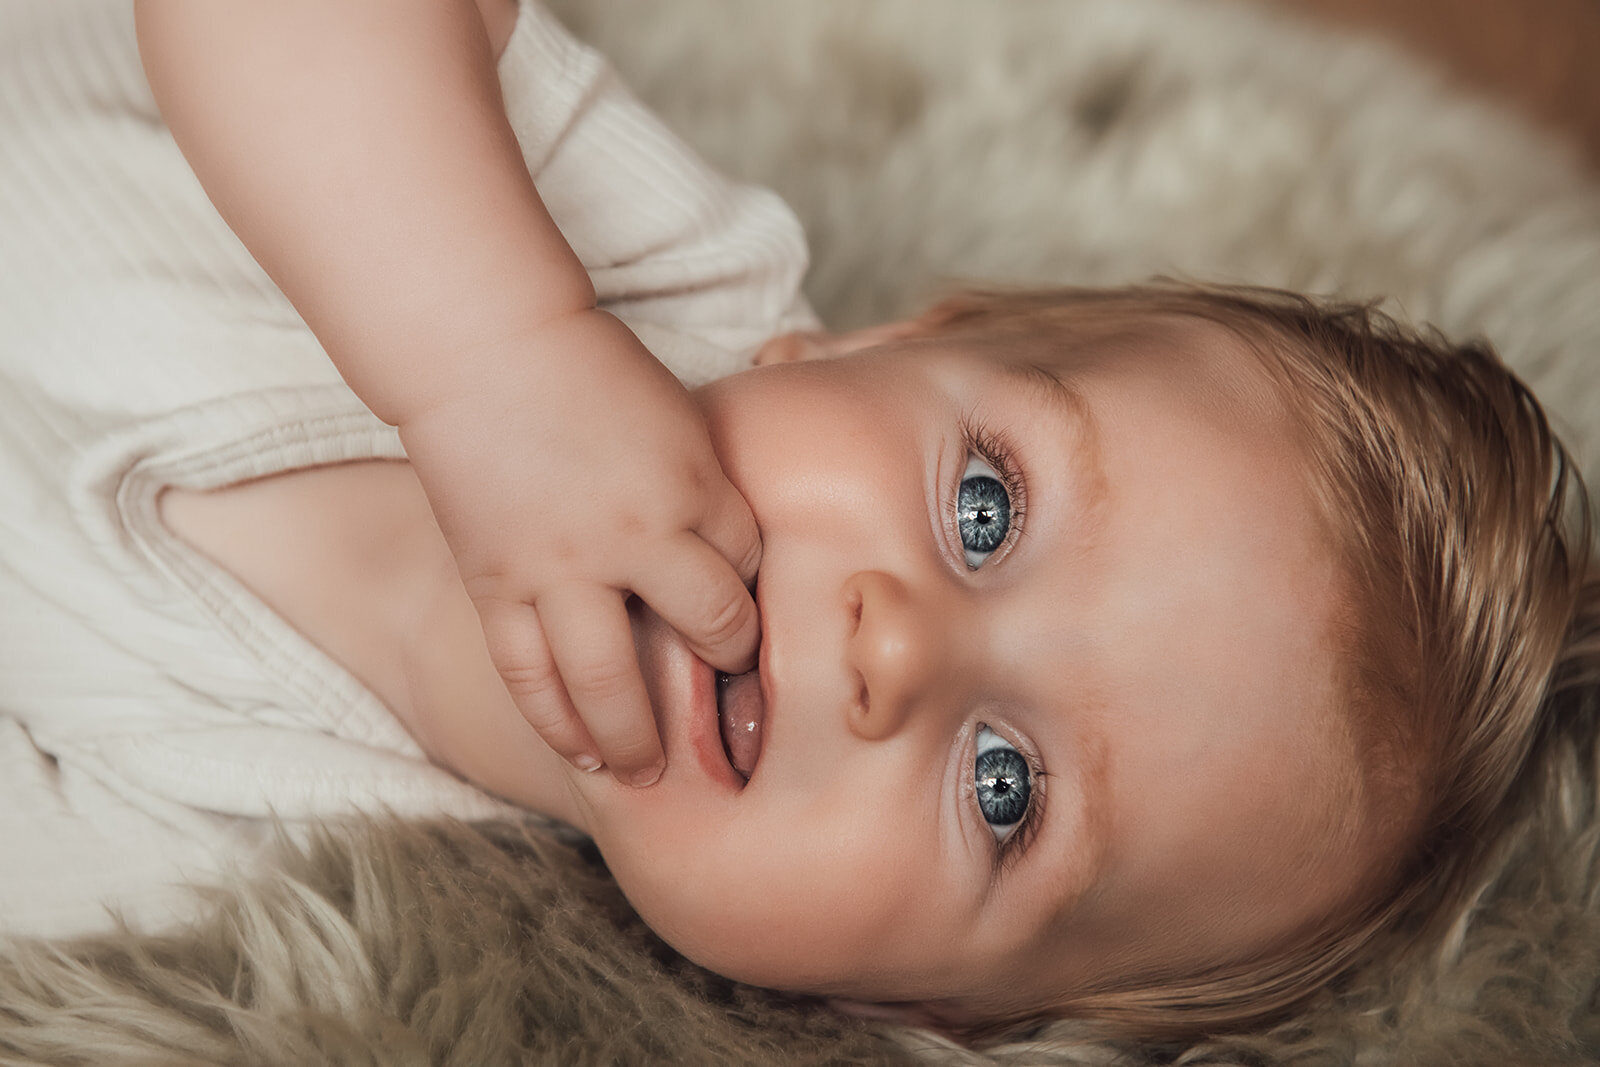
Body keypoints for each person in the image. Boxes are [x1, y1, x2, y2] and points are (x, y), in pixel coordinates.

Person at [0, 0, 1592, 1042]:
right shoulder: (631, 267)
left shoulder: (296, 887)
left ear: (933, 1007)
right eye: (986, 506)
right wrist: (495, 357)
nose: (894, 646)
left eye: (1006, 789)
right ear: (876, 342)